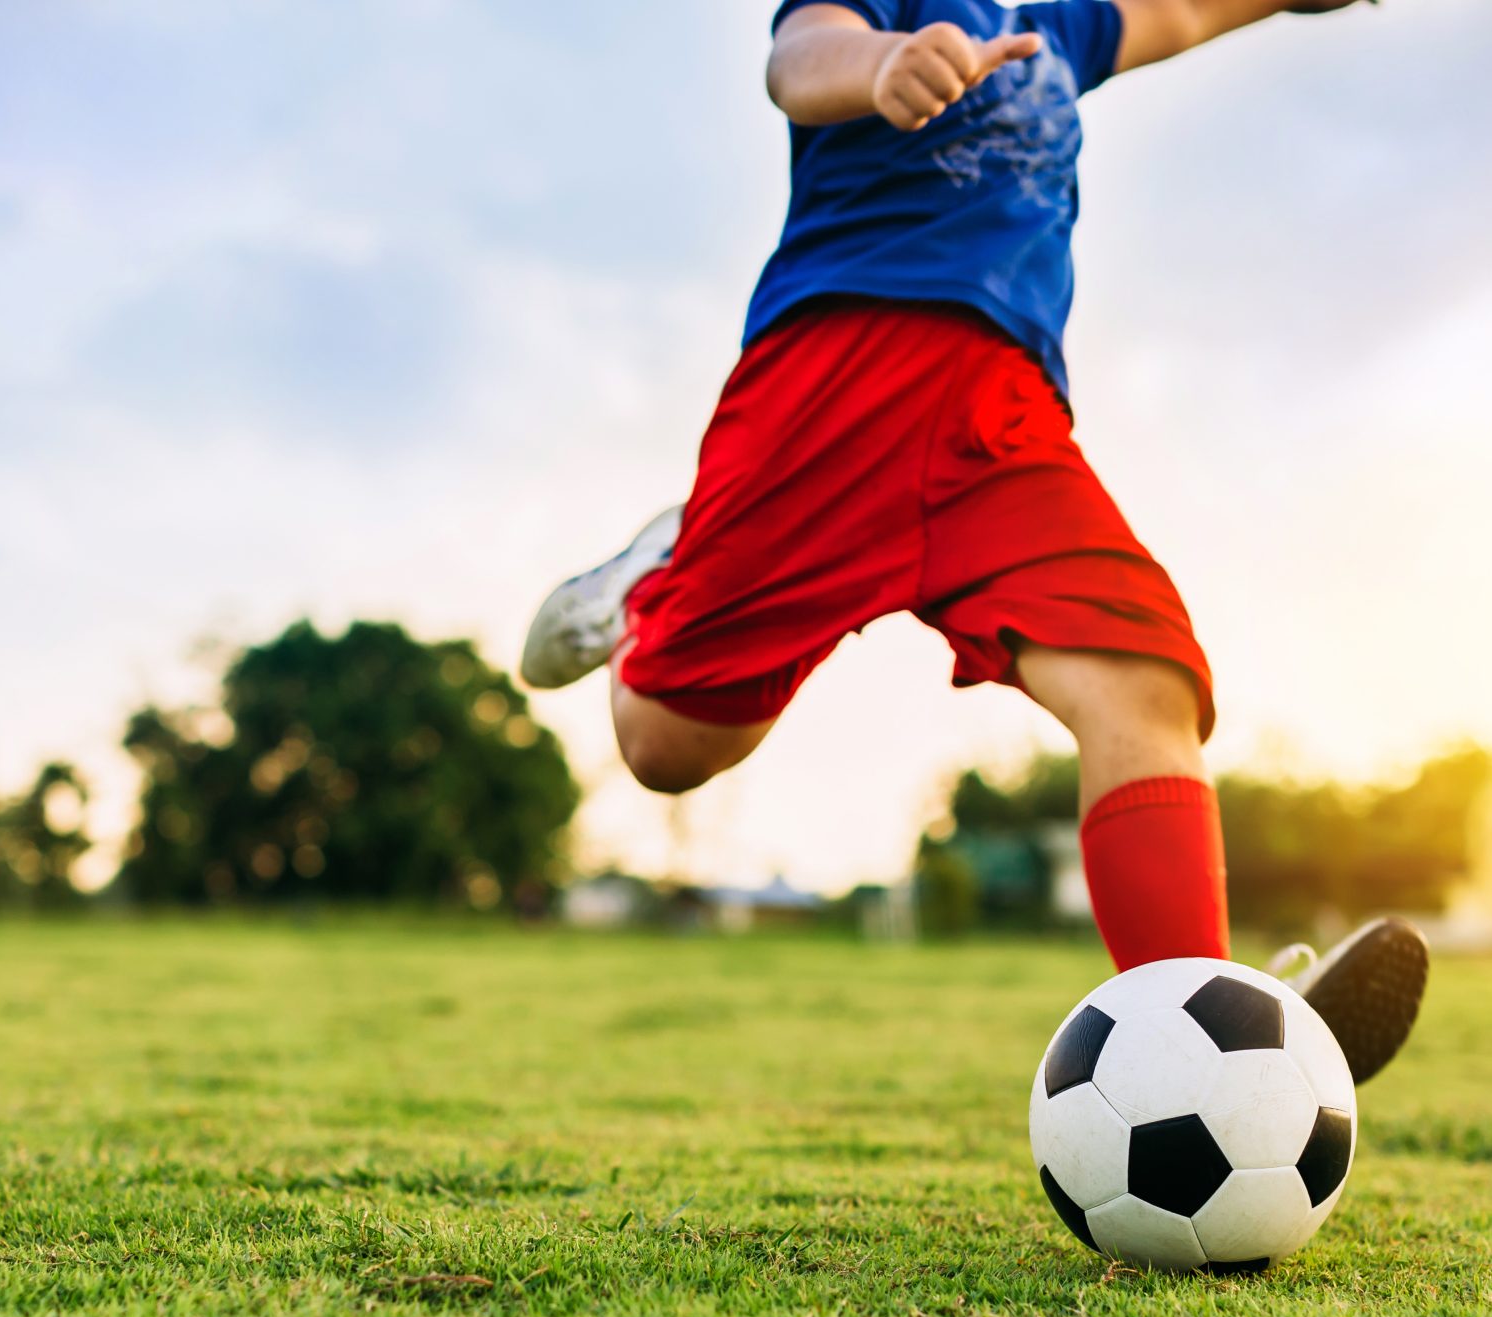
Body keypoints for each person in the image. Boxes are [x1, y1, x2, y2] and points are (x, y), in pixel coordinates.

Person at [519, 0, 1426, 1081]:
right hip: (835, 382)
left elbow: (1179, 12)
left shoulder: (1062, 23)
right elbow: (796, 58)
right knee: (666, 746)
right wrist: (880, 64)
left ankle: (1208, 1038)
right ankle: (653, 585)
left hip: (1000, 419)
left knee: (1144, 683)